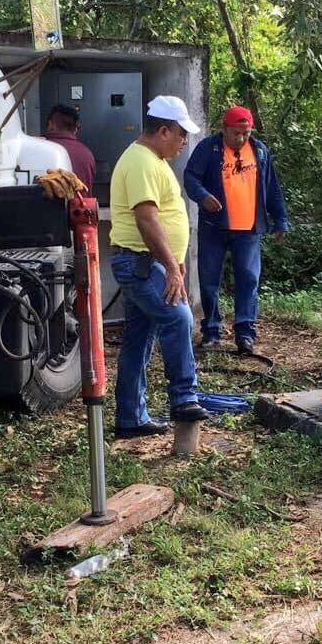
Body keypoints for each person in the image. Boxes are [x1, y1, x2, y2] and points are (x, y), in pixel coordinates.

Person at [108, 95, 210, 438]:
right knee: (178, 317)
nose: (184, 143)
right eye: (181, 135)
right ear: (164, 131)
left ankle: (130, 418)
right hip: (141, 262)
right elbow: (147, 219)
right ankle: (183, 398)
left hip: (148, 262)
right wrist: (171, 267)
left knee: (138, 340)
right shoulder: (141, 161)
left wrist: (176, 261)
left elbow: (165, 216)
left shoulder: (154, 160)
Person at [183, 104, 289, 353]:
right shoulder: (208, 148)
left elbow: (272, 187)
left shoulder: (259, 151)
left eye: (246, 133)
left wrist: (280, 220)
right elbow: (190, 177)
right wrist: (203, 196)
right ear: (224, 129)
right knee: (209, 280)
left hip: (249, 228)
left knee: (248, 279)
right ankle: (211, 331)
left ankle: (245, 333)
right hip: (214, 226)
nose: (240, 139)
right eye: (236, 133)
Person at [43, 104, 96, 194]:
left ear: (50, 124)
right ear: (75, 129)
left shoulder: (38, 150)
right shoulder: (87, 154)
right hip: (81, 202)